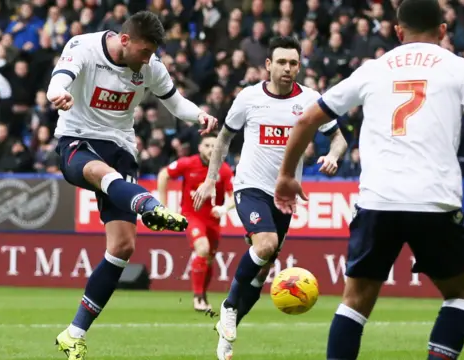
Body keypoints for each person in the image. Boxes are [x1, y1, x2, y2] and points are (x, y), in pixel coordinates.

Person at [273, 0, 464, 359]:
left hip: (377, 201)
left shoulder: (373, 69)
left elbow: (308, 119)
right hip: (434, 201)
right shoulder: (459, 69)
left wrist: (287, 175)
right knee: (460, 295)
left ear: (398, 31)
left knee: (355, 302)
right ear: (443, 31)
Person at [46, 11, 218, 360]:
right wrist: (57, 94)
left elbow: (175, 102)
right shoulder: (83, 47)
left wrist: (198, 113)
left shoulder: (151, 65)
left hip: (121, 148)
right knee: (96, 170)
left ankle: (73, 334)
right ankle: (147, 205)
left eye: (151, 52)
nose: (147, 58)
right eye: (143, 51)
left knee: (123, 247)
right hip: (78, 140)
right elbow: (58, 79)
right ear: (124, 40)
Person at [192, 36, 348, 360]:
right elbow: (223, 139)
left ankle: (226, 337)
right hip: (249, 186)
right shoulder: (248, 98)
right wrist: (210, 180)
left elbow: (338, 138)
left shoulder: (310, 100)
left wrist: (333, 156)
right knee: (264, 246)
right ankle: (229, 306)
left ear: (299, 66)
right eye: (281, 62)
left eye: (293, 63)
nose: (288, 68)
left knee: (263, 270)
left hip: (284, 196)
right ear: (268, 65)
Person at [156, 133, 235, 312]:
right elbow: (163, 175)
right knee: (202, 248)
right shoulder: (188, 163)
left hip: (213, 220)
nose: (211, 149)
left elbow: (233, 197)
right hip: (192, 217)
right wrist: (163, 205)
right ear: (200, 147)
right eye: (207, 145)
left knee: (209, 259)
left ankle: (203, 295)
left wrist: (223, 209)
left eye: (215, 146)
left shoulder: (224, 170)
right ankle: (197, 298)